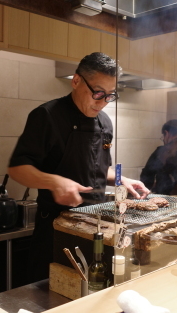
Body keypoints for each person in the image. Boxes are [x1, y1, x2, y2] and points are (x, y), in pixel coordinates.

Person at [8, 52, 150, 283]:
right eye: (97, 93)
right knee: (54, 289)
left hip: (96, 224)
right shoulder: (47, 116)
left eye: (110, 95)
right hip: (57, 226)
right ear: (76, 81)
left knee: (93, 287)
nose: (102, 102)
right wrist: (55, 182)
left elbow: (96, 168)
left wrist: (121, 179)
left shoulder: (104, 122)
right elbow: (17, 168)